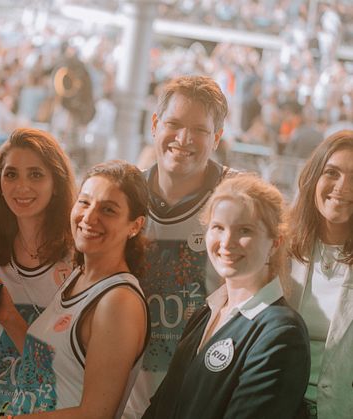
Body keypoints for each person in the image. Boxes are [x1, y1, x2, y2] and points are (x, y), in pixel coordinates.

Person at [0, 160, 150, 418]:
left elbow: (95, 413)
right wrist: (8, 317)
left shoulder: (118, 301)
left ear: (135, 225)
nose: (89, 217)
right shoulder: (79, 276)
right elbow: (52, 367)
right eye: (85, 202)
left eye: (108, 210)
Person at [144, 174, 310, 418]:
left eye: (245, 230)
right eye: (218, 227)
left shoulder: (282, 332)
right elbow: (162, 405)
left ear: (275, 242)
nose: (226, 242)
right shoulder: (207, 312)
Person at [124, 75, 235, 418]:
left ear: (216, 138)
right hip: (122, 395)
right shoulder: (123, 193)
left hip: (200, 395)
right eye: (174, 124)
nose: (184, 139)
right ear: (155, 124)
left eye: (200, 130)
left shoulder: (237, 197)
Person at [0, 128, 76, 412]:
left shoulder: (77, 258)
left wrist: (8, 317)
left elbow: (70, 367)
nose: (21, 187)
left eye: (36, 175)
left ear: (56, 183)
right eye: (11, 175)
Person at [287, 130, 353, 418]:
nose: (342, 187)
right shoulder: (280, 249)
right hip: (279, 405)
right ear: (314, 177)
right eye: (332, 173)